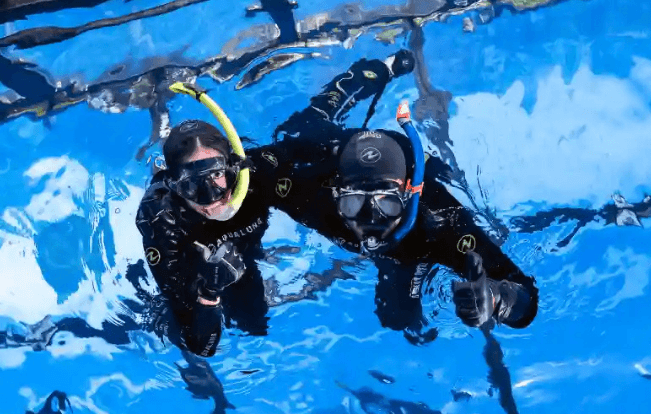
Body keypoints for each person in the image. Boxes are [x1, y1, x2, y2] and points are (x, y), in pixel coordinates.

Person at [135, 58, 414, 357]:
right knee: (224, 326)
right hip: (200, 269)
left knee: (255, 322)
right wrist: (206, 293)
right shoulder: (163, 219)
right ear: (175, 188)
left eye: (218, 177)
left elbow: (318, 164)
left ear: (234, 167)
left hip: (246, 250)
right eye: (194, 187)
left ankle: (375, 69)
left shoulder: (259, 173)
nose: (215, 198)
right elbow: (201, 346)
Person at [267, 51, 539, 343]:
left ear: (408, 194)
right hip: (334, 151)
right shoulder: (309, 185)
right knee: (299, 129)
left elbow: (523, 296)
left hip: (410, 226)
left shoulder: (437, 221)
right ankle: (378, 70)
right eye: (354, 203)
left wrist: (497, 297)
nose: (370, 220)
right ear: (336, 189)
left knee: (398, 318)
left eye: (387, 204)